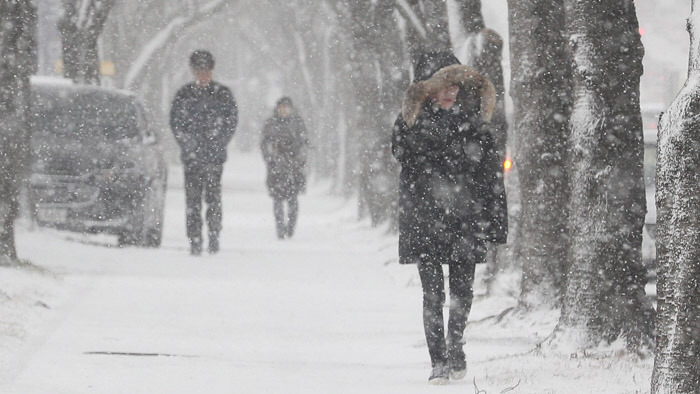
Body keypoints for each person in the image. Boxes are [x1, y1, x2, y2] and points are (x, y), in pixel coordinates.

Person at [391, 52, 508, 385]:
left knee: (462, 291)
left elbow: (491, 176)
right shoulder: (412, 121)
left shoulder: (475, 123)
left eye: (455, 86)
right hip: (426, 219)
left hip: (465, 220)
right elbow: (400, 152)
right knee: (432, 293)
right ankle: (437, 360)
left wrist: (496, 222)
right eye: (443, 86)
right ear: (428, 88)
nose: (450, 93)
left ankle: (456, 348)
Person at [170, 50, 238, 255]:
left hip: (214, 158)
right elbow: (176, 124)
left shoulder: (223, 94)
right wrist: (188, 146)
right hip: (192, 158)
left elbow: (230, 123)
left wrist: (218, 144)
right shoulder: (184, 95)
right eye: (199, 71)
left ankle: (214, 235)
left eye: (206, 71)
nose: (202, 76)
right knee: (192, 201)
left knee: (213, 199)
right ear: (193, 72)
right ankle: (194, 239)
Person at [260, 97, 309, 239]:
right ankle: (280, 228)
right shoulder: (270, 124)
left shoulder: (297, 123)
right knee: (277, 199)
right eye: (281, 107)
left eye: (286, 107)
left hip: (294, 167)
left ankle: (291, 227)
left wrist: (299, 160)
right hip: (276, 168)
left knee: (293, 198)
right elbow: (264, 143)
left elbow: (304, 143)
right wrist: (270, 159)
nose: (284, 110)